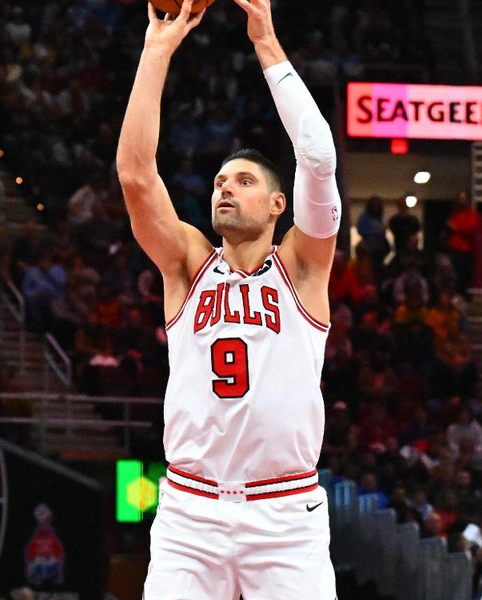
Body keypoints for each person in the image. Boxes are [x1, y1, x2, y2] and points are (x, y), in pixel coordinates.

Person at [116, 0, 341, 598]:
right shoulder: (188, 263)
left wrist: (266, 41)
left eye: (244, 182)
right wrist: (157, 49)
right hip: (190, 512)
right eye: (220, 180)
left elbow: (317, 159)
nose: (225, 187)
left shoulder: (303, 264)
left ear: (277, 205)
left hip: (286, 514)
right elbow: (137, 176)